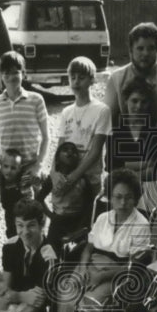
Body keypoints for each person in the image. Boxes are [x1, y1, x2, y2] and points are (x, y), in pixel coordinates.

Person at [52, 170, 151, 312]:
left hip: (117, 272)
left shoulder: (141, 224)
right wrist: (81, 268)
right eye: (118, 197)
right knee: (67, 295)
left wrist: (102, 276)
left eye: (128, 197)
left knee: (87, 304)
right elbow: (89, 246)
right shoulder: (103, 218)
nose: (123, 203)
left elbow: (135, 264)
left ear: (136, 198)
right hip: (92, 263)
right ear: (110, 197)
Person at [104, 23, 157, 255]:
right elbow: (109, 121)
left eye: (151, 48)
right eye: (140, 48)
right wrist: (126, 167)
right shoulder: (117, 78)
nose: (145, 53)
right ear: (130, 49)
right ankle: (129, 262)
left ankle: (156, 263)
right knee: (128, 214)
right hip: (128, 149)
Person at [0, 198, 58, 312]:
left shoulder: (49, 256)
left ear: (42, 224)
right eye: (19, 225)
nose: (25, 232)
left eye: (31, 225)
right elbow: (5, 290)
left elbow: (36, 304)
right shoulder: (10, 247)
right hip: (14, 304)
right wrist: (20, 296)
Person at [0, 51, 50, 193]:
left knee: (36, 208)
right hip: (8, 170)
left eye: (15, 72)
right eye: (6, 73)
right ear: (1, 75)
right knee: (10, 208)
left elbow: (46, 137)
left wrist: (38, 165)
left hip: (31, 167)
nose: (11, 77)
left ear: (23, 73)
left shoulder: (36, 100)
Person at [55, 56, 112, 207]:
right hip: (67, 178)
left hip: (89, 180)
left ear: (92, 80)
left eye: (81, 77)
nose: (76, 82)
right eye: (72, 77)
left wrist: (73, 177)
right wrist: (55, 174)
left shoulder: (101, 110)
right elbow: (60, 147)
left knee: (87, 224)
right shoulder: (66, 112)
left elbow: (95, 151)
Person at [36, 142, 91, 252]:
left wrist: (82, 226)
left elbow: (89, 205)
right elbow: (39, 199)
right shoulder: (53, 178)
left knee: (75, 254)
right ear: (57, 157)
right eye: (65, 149)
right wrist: (51, 216)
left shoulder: (82, 180)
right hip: (58, 222)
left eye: (73, 151)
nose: (70, 152)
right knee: (51, 252)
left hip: (77, 222)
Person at [0, 147, 30, 238]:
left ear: (19, 169)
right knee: (11, 234)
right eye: (6, 166)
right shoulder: (0, 177)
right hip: (9, 214)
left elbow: (29, 199)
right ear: (1, 165)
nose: (9, 171)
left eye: (13, 168)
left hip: (23, 216)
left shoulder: (22, 180)